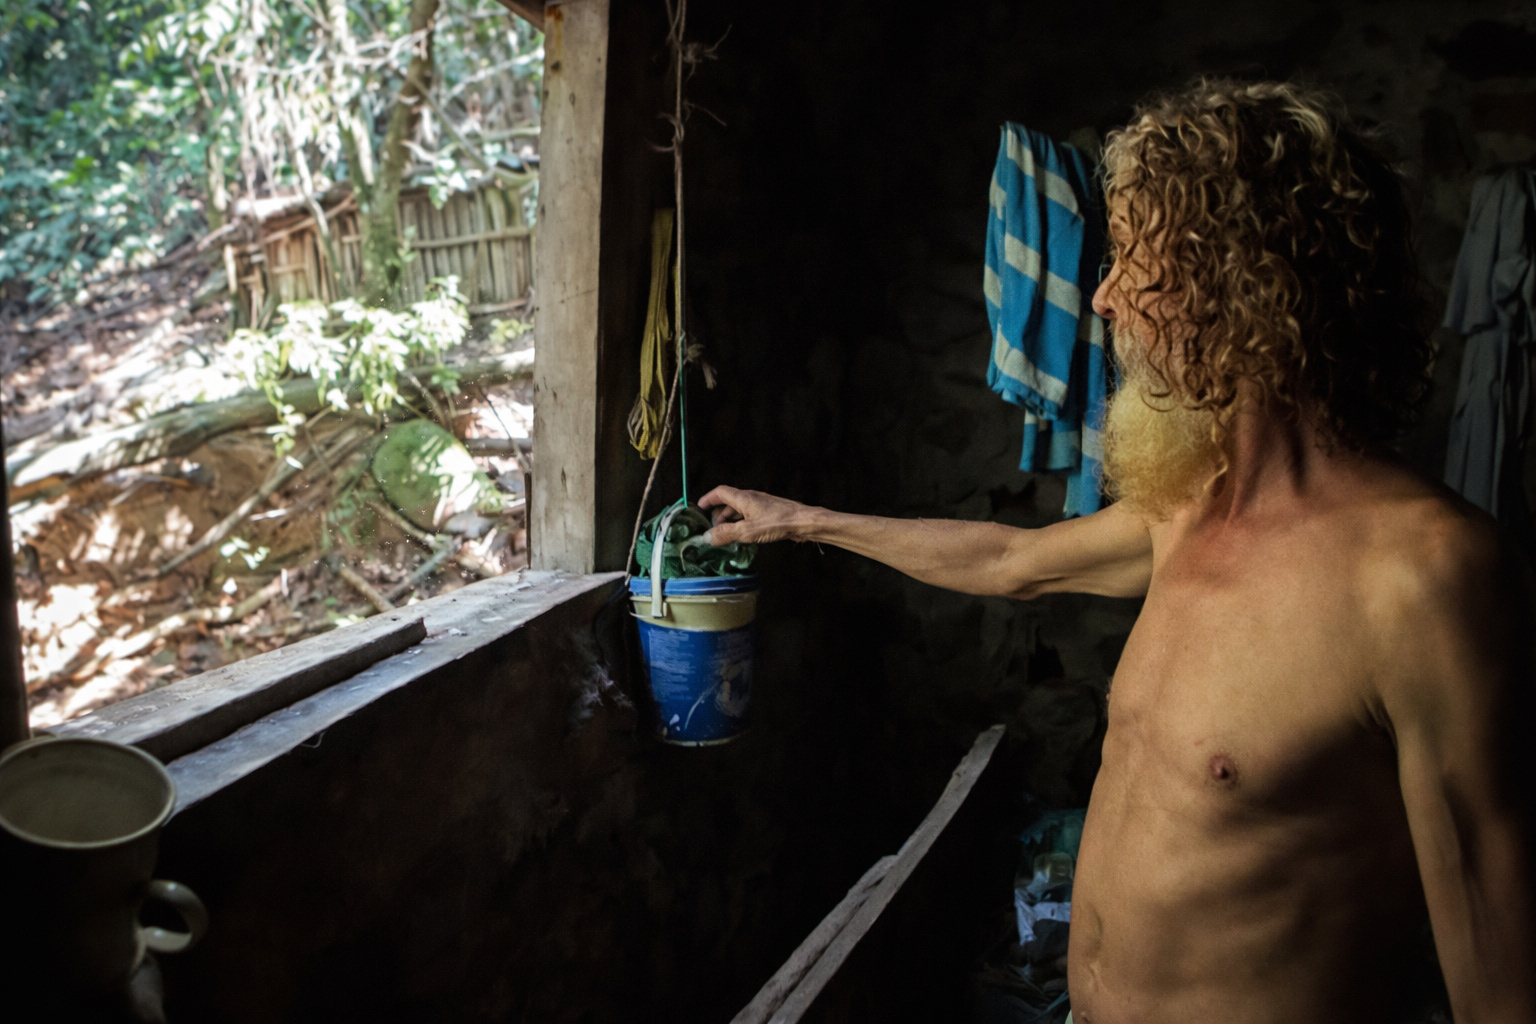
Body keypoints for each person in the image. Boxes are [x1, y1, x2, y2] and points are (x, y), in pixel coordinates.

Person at [700, 80, 1536, 1024]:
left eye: (1132, 258)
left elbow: (1499, 988)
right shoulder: (1189, 509)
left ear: (1240, 281)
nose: (1100, 296)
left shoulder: (1426, 579)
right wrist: (801, 521)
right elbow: (1010, 564)